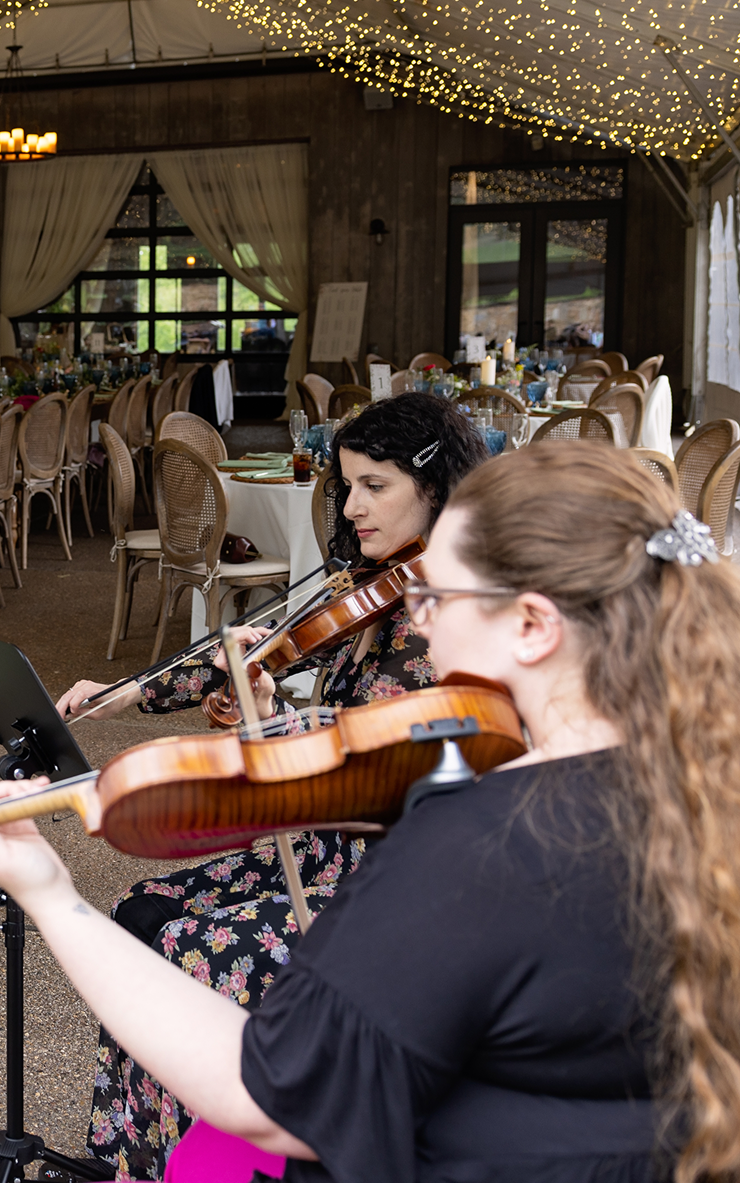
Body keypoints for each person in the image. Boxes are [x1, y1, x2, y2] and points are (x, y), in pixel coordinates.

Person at [0, 442, 740, 1183]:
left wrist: (50, 893)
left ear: (531, 625)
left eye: (438, 598)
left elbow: (274, 1095)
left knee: (214, 1146)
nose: (419, 617)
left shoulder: (487, 842)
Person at [54, 392, 488, 1178]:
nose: (351, 505)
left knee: (188, 950)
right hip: (330, 850)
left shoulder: (449, 611)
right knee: (134, 915)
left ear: (435, 484)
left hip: (395, 879)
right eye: (347, 485)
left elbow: (371, 769)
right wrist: (117, 695)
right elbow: (255, 657)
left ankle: (204, 1156)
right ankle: (133, 1156)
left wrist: (261, 732)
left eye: (374, 486)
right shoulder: (380, 581)